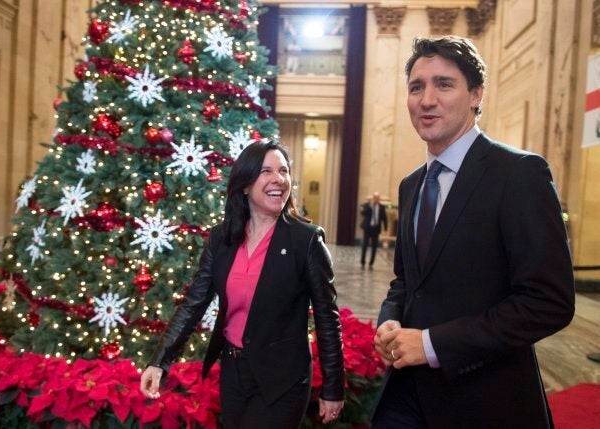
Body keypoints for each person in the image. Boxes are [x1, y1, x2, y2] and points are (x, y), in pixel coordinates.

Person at [372, 35, 575, 428]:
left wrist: (431, 345)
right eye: (417, 87)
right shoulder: (411, 184)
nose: (426, 99)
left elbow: (548, 301)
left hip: (485, 401)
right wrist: (390, 319)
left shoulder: (519, 174)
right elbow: (406, 282)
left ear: (476, 94)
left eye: (443, 84)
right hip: (405, 396)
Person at [141, 141, 345, 428]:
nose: (279, 179)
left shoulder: (306, 241)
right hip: (234, 373)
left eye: (284, 171)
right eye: (266, 171)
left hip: (282, 379)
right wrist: (159, 360)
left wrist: (334, 387)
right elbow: (194, 303)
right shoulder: (221, 238)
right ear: (246, 184)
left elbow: (327, 318)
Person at [360, 192, 388, 269]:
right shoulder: (368, 205)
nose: (376, 199)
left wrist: (385, 229)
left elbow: (384, 218)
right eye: (375, 198)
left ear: (379, 199)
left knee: (374, 246)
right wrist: (370, 206)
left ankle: (371, 263)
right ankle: (363, 261)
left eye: (378, 198)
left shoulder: (382, 207)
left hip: (376, 229)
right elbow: (362, 213)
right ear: (373, 198)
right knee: (365, 245)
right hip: (367, 228)